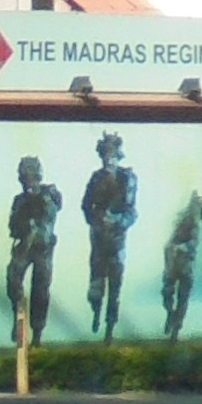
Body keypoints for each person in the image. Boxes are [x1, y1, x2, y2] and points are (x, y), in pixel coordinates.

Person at [80, 131, 139, 340]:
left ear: (118, 156)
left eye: (112, 155)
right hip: (98, 238)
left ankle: (109, 329)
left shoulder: (127, 178)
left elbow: (132, 211)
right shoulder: (95, 178)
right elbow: (85, 205)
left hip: (117, 239)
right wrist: (97, 220)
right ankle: (96, 312)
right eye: (105, 155)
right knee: (96, 284)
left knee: (115, 286)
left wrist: (117, 221)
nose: (109, 159)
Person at [4, 153, 61, 344]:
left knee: (41, 291)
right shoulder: (19, 200)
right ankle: (19, 317)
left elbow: (51, 213)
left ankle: (37, 333)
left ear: (37, 176)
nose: (27, 181)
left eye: (30, 176)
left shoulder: (49, 195)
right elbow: (12, 226)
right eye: (24, 177)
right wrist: (24, 226)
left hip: (43, 248)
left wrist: (39, 198)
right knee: (13, 279)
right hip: (24, 247)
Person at [159, 190, 202, 340]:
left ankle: (176, 328)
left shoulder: (195, 225)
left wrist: (181, 248)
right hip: (173, 265)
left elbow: (194, 243)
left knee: (182, 299)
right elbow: (170, 243)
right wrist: (171, 250)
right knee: (167, 293)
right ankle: (171, 316)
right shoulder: (180, 222)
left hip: (186, 266)